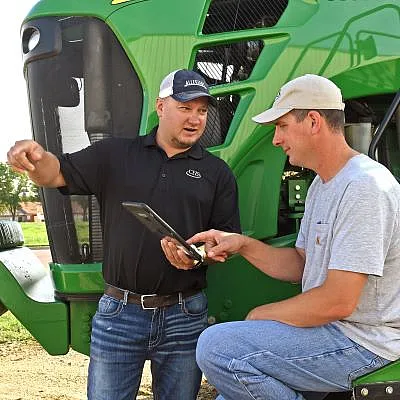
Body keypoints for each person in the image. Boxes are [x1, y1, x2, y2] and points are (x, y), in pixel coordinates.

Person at [162, 74, 400, 400]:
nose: (276, 139)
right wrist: (242, 244)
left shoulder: (364, 186)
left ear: (313, 121)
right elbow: (302, 264)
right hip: (337, 332)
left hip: (365, 342)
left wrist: (263, 315)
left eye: (282, 126)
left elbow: (338, 300)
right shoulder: (322, 185)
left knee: (217, 346)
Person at [7, 69, 241, 400]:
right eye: (185, 107)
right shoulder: (116, 155)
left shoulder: (218, 173)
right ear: (161, 107)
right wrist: (36, 158)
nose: (195, 119)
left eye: (202, 110)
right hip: (120, 313)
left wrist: (199, 256)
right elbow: (56, 173)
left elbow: (227, 241)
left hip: (185, 316)